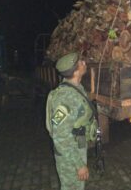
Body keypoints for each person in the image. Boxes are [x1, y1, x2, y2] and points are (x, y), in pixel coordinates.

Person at [46, 52, 98, 190]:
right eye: (81, 63)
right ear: (75, 71)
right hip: (69, 156)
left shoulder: (76, 88)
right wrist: (79, 165)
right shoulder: (65, 99)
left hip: (76, 147)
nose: (84, 63)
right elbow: (60, 137)